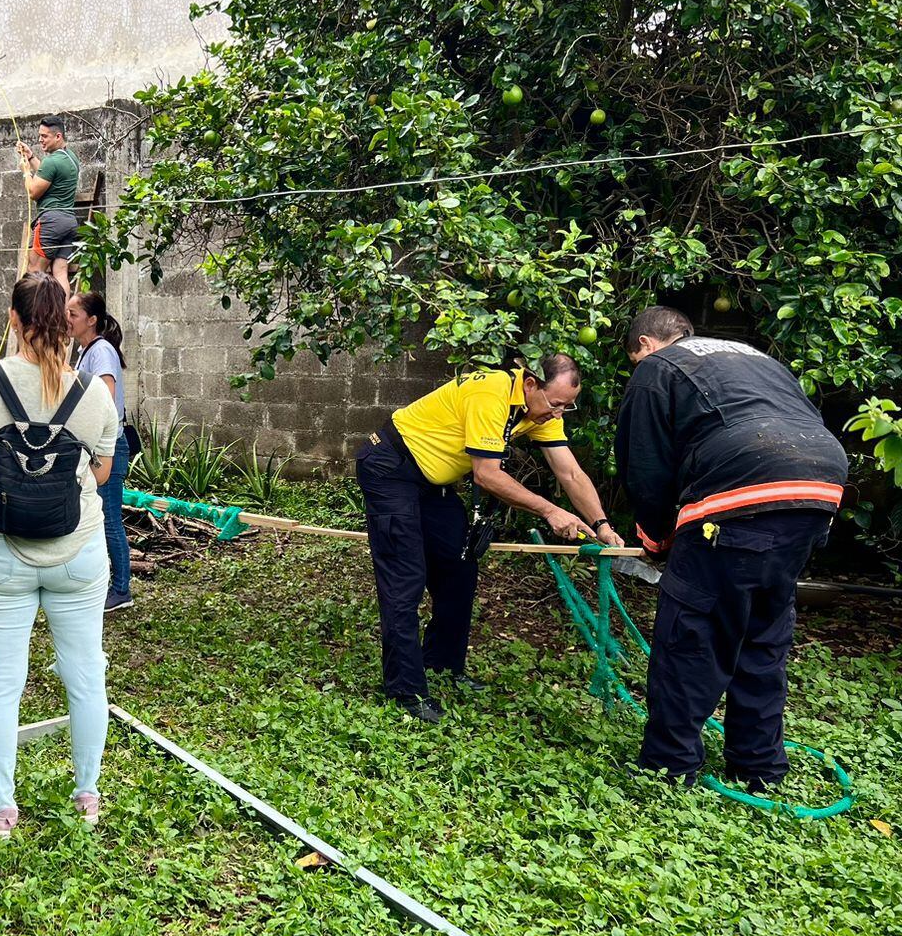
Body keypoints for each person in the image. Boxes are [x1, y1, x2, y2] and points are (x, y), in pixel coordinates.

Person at [616, 307, 848, 791]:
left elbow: (646, 465)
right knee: (764, 631)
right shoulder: (754, 358)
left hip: (742, 486)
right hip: (819, 482)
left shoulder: (657, 368)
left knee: (692, 634)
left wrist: (657, 538)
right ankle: (758, 766)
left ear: (644, 344)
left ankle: (669, 765)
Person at [355, 353, 621, 723]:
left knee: (459, 568)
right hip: (390, 468)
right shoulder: (492, 393)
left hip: (434, 482)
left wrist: (602, 523)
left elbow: (570, 473)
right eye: (556, 403)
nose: (558, 413)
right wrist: (550, 510)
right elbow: (487, 475)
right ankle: (406, 690)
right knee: (405, 578)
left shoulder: (537, 412)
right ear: (531, 384)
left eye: (567, 407)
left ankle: (443, 665)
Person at [0, 273, 119, 835]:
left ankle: (1, 808)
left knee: (0, 682)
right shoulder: (93, 393)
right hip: (78, 551)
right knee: (86, 675)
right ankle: (88, 796)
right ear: (64, 325)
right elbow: (100, 471)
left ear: (14, 320)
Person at [68, 289, 133, 612]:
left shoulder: (101, 350)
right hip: (94, 447)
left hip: (109, 447)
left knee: (109, 519)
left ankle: (121, 589)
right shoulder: (84, 351)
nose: (67, 320)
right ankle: (101, 581)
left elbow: (105, 396)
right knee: (94, 516)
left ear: (91, 320)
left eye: (73, 315)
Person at [17, 117, 81, 292]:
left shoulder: (52, 161)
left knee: (34, 272)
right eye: (39, 136)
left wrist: (26, 172)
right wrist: (30, 157)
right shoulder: (71, 158)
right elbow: (48, 174)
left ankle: (36, 318)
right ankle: (63, 317)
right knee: (60, 273)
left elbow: (33, 192)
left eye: (44, 136)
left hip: (51, 222)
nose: (40, 140)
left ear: (58, 136)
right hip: (69, 223)